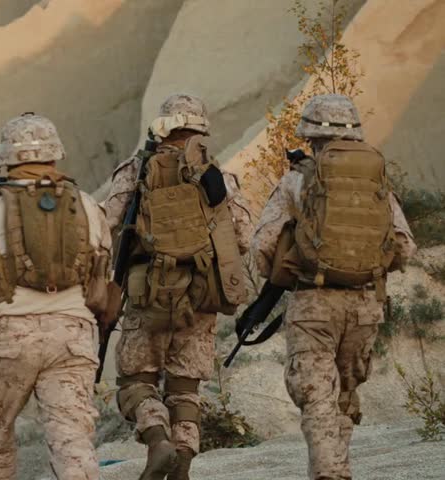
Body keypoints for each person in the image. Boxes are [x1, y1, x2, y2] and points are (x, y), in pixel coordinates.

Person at [250, 94, 416, 480]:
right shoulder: (377, 182)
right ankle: (337, 466)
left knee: (317, 396)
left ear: (310, 134)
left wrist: (285, 270)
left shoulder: (297, 179)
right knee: (343, 394)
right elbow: (405, 246)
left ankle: (330, 474)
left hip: (314, 304)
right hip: (365, 305)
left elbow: (262, 247)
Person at [0, 113, 111, 479]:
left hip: (9, 340)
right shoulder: (88, 206)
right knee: (73, 440)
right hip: (73, 337)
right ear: (55, 154)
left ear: (6, 158)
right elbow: (103, 272)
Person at [103, 94, 252, 479]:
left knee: (137, 382)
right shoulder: (218, 177)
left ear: (161, 126)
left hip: (147, 295)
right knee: (185, 389)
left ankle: (158, 441)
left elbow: (105, 226)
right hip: (201, 297)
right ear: (200, 130)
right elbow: (245, 236)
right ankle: (181, 464)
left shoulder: (137, 171)